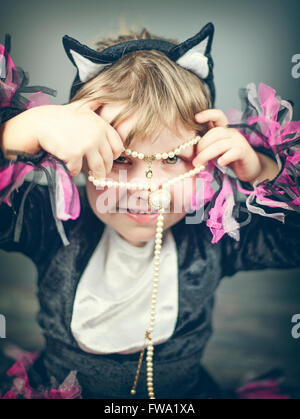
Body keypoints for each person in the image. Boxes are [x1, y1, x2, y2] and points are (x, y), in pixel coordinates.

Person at [0, 22, 299, 399]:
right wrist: (21, 130)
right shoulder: (53, 219)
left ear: (207, 162)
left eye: (173, 157)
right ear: (77, 155)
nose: (146, 187)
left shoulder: (214, 233)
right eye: (122, 158)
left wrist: (263, 172)